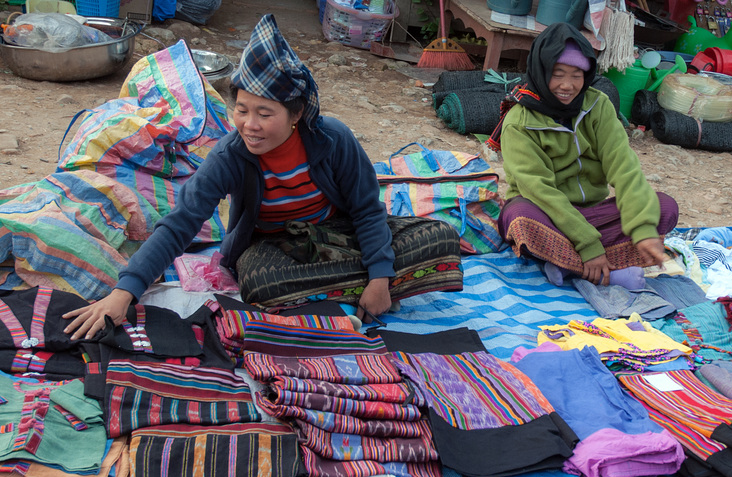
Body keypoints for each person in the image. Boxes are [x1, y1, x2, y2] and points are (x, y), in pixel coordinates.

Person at [63, 14, 462, 340]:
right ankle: (375, 287)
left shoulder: (333, 139)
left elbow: (366, 210)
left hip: (341, 234)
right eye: (241, 109)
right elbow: (180, 224)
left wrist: (379, 274)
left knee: (442, 238)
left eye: (264, 113)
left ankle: (362, 287)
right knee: (257, 284)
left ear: (296, 115)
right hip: (278, 247)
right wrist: (124, 292)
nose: (249, 125)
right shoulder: (230, 155)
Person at [488, 23, 679, 288]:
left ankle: (566, 266)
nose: (567, 85)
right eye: (557, 74)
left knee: (664, 207)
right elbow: (540, 191)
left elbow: (624, 168)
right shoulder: (519, 123)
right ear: (541, 72)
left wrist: (643, 230)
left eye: (577, 75)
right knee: (519, 218)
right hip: (546, 213)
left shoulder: (597, 105)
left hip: (592, 214)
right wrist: (589, 245)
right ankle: (606, 268)